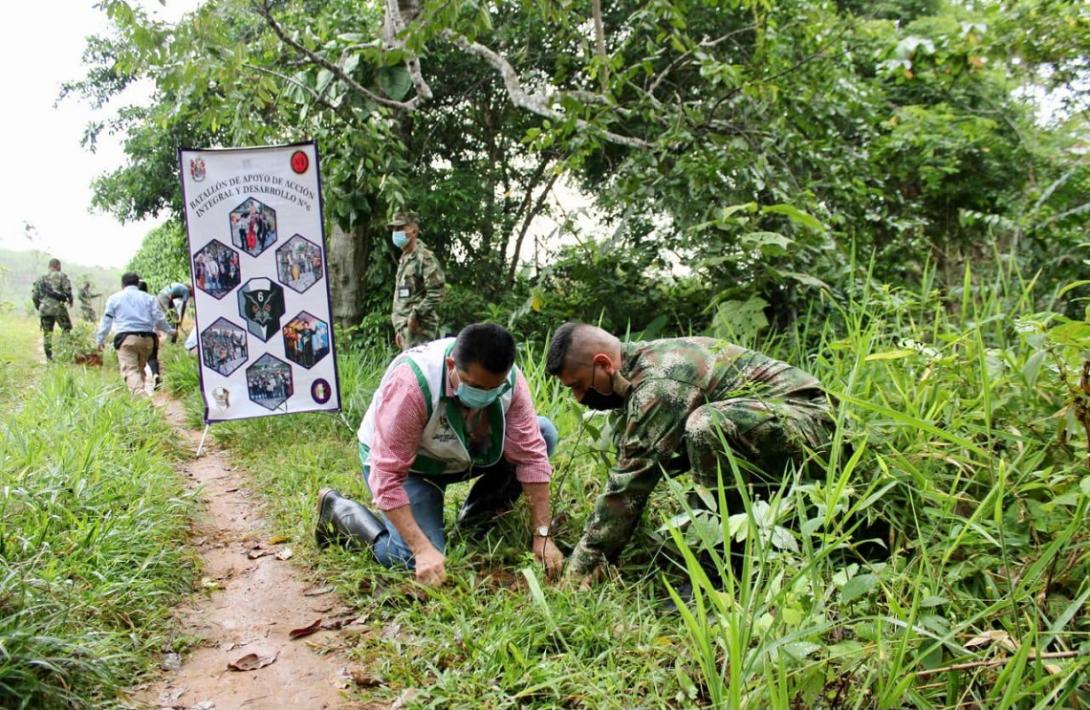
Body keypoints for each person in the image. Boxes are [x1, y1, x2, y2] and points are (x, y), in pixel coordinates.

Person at [545, 322, 834, 585]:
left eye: (579, 385)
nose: (579, 398)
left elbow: (631, 481)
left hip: (813, 427)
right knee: (700, 427)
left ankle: (722, 570)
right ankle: (747, 532)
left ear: (603, 364)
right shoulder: (641, 367)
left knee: (707, 425)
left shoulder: (660, 383)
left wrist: (582, 563)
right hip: (780, 427)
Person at [316, 323, 563, 586]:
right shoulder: (412, 385)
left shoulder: (510, 380)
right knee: (409, 560)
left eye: (492, 389)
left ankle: (476, 518)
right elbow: (387, 477)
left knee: (543, 431)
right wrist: (421, 549)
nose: (483, 396)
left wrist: (543, 535)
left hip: (464, 456)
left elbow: (531, 457)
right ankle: (340, 512)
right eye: (474, 386)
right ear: (450, 365)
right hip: (412, 470)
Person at [95, 272, 175, 396]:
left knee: (131, 371)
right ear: (137, 283)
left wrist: (100, 340)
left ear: (122, 284)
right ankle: (140, 407)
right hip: (147, 340)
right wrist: (171, 331)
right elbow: (159, 319)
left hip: (126, 340)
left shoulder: (114, 298)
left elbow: (106, 321)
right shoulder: (149, 298)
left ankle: (141, 398)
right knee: (139, 370)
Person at [389, 211, 445, 350]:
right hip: (405, 328)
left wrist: (415, 316)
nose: (396, 233)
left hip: (419, 329)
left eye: (400, 228)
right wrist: (400, 329)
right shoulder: (405, 257)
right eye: (394, 229)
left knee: (418, 370)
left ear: (414, 231)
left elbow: (436, 292)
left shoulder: (424, 257)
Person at [31, 258, 74, 362]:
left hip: (44, 309)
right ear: (58, 266)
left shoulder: (40, 278)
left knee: (47, 333)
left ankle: (49, 357)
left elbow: (34, 296)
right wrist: (70, 300)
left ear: (49, 266)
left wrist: (39, 307)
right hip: (58, 308)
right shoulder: (62, 276)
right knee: (66, 328)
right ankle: (62, 349)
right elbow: (67, 290)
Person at [139, 280, 167, 389]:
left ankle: (141, 385)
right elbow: (158, 317)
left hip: (138, 333)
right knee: (153, 357)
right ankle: (156, 374)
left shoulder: (133, 301)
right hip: (152, 334)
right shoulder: (151, 299)